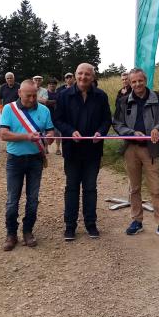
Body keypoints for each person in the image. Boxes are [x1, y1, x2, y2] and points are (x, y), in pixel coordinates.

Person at [113, 68, 159, 241]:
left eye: (140, 81)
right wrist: (131, 132)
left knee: (156, 188)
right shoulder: (124, 101)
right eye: (134, 82)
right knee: (134, 188)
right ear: (129, 83)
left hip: (151, 149)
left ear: (145, 80)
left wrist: (157, 128)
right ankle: (136, 221)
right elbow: (117, 123)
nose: (137, 84)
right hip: (131, 148)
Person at [54, 63, 112, 241]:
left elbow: (106, 119)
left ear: (93, 77)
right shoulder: (64, 95)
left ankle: (91, 224)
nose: (83, 77)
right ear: (75, 75)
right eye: (80, 73)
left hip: (93, 150)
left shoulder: (101, 96)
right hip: (72, 150)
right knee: (71, 188)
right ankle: (70, 226)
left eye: (87, 74)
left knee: (90, 188)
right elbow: (57, 119)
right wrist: (70, 132)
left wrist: (100, 133)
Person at [0, 80, 55, 250]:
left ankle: (28, 231)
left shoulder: (44, 110)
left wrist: (50, 138)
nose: (32, 99)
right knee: (12, 200)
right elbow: (4, 135)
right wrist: (26, 137)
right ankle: (11, 233)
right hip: (15, 159)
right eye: (28, 95)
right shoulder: (9, 109)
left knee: (32, 199)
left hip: (36, 159)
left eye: (34, 95)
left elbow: (50, 131)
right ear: (19, 93)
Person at [46, 78, 61, 155]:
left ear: (56, 85)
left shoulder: (59, 94)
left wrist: (49, 102)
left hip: (56, 117)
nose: (52, 85)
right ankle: (46, 148)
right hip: (47, 117)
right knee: (45, 133)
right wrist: (53, 102)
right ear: (47, 85)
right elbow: (44, 102)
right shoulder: (45, 94)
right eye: (50, 84)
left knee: (57, 133)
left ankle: (58, 148)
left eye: (53, 84)